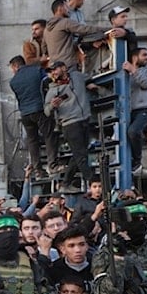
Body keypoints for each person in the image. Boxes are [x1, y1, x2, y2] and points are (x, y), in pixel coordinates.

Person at [44, 60, 93, 194]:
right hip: (69, 124)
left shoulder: (77, 76)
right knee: (81, 155)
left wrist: (92, 85)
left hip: (84, 119)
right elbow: (46, 111)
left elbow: (90, 78)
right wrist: (53, 105)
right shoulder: (53, 90)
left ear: (64, 68)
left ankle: (66, 183)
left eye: (55, 69)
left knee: (80, 154)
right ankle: (94, 182)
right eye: (52, 71)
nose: (54, 73)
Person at [9, 55, 54, 179]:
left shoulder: (13, 82)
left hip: (25, 114)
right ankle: (52, 164)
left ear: (15, 66)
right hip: (39, 109)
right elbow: (48, 80)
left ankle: (38, 169)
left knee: (32, 141)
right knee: (48, 135)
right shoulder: (37, 70)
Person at [124, 47, 147, 174]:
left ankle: (137, 161)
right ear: (135, 57)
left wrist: (134, 70)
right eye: (144, 55)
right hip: (127, 110)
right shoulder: (125, 71)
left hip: (143, 108)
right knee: (123, 135)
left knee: (133, 131)